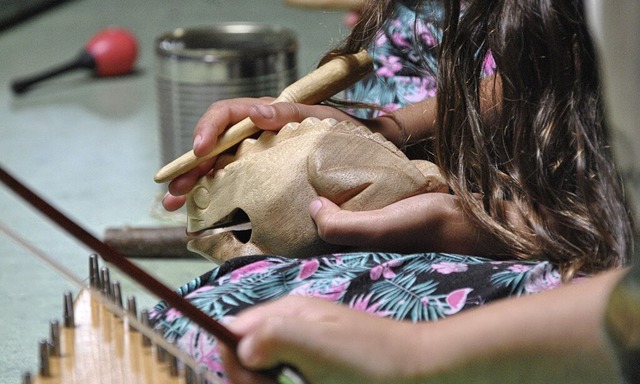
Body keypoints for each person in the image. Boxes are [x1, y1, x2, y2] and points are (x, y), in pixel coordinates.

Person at [153, 0, 636, 381]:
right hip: (558, 204)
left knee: (247, 332)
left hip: (598, 266)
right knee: (216, 326)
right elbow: (563, 68)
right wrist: (385, 132)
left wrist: (417, 352)